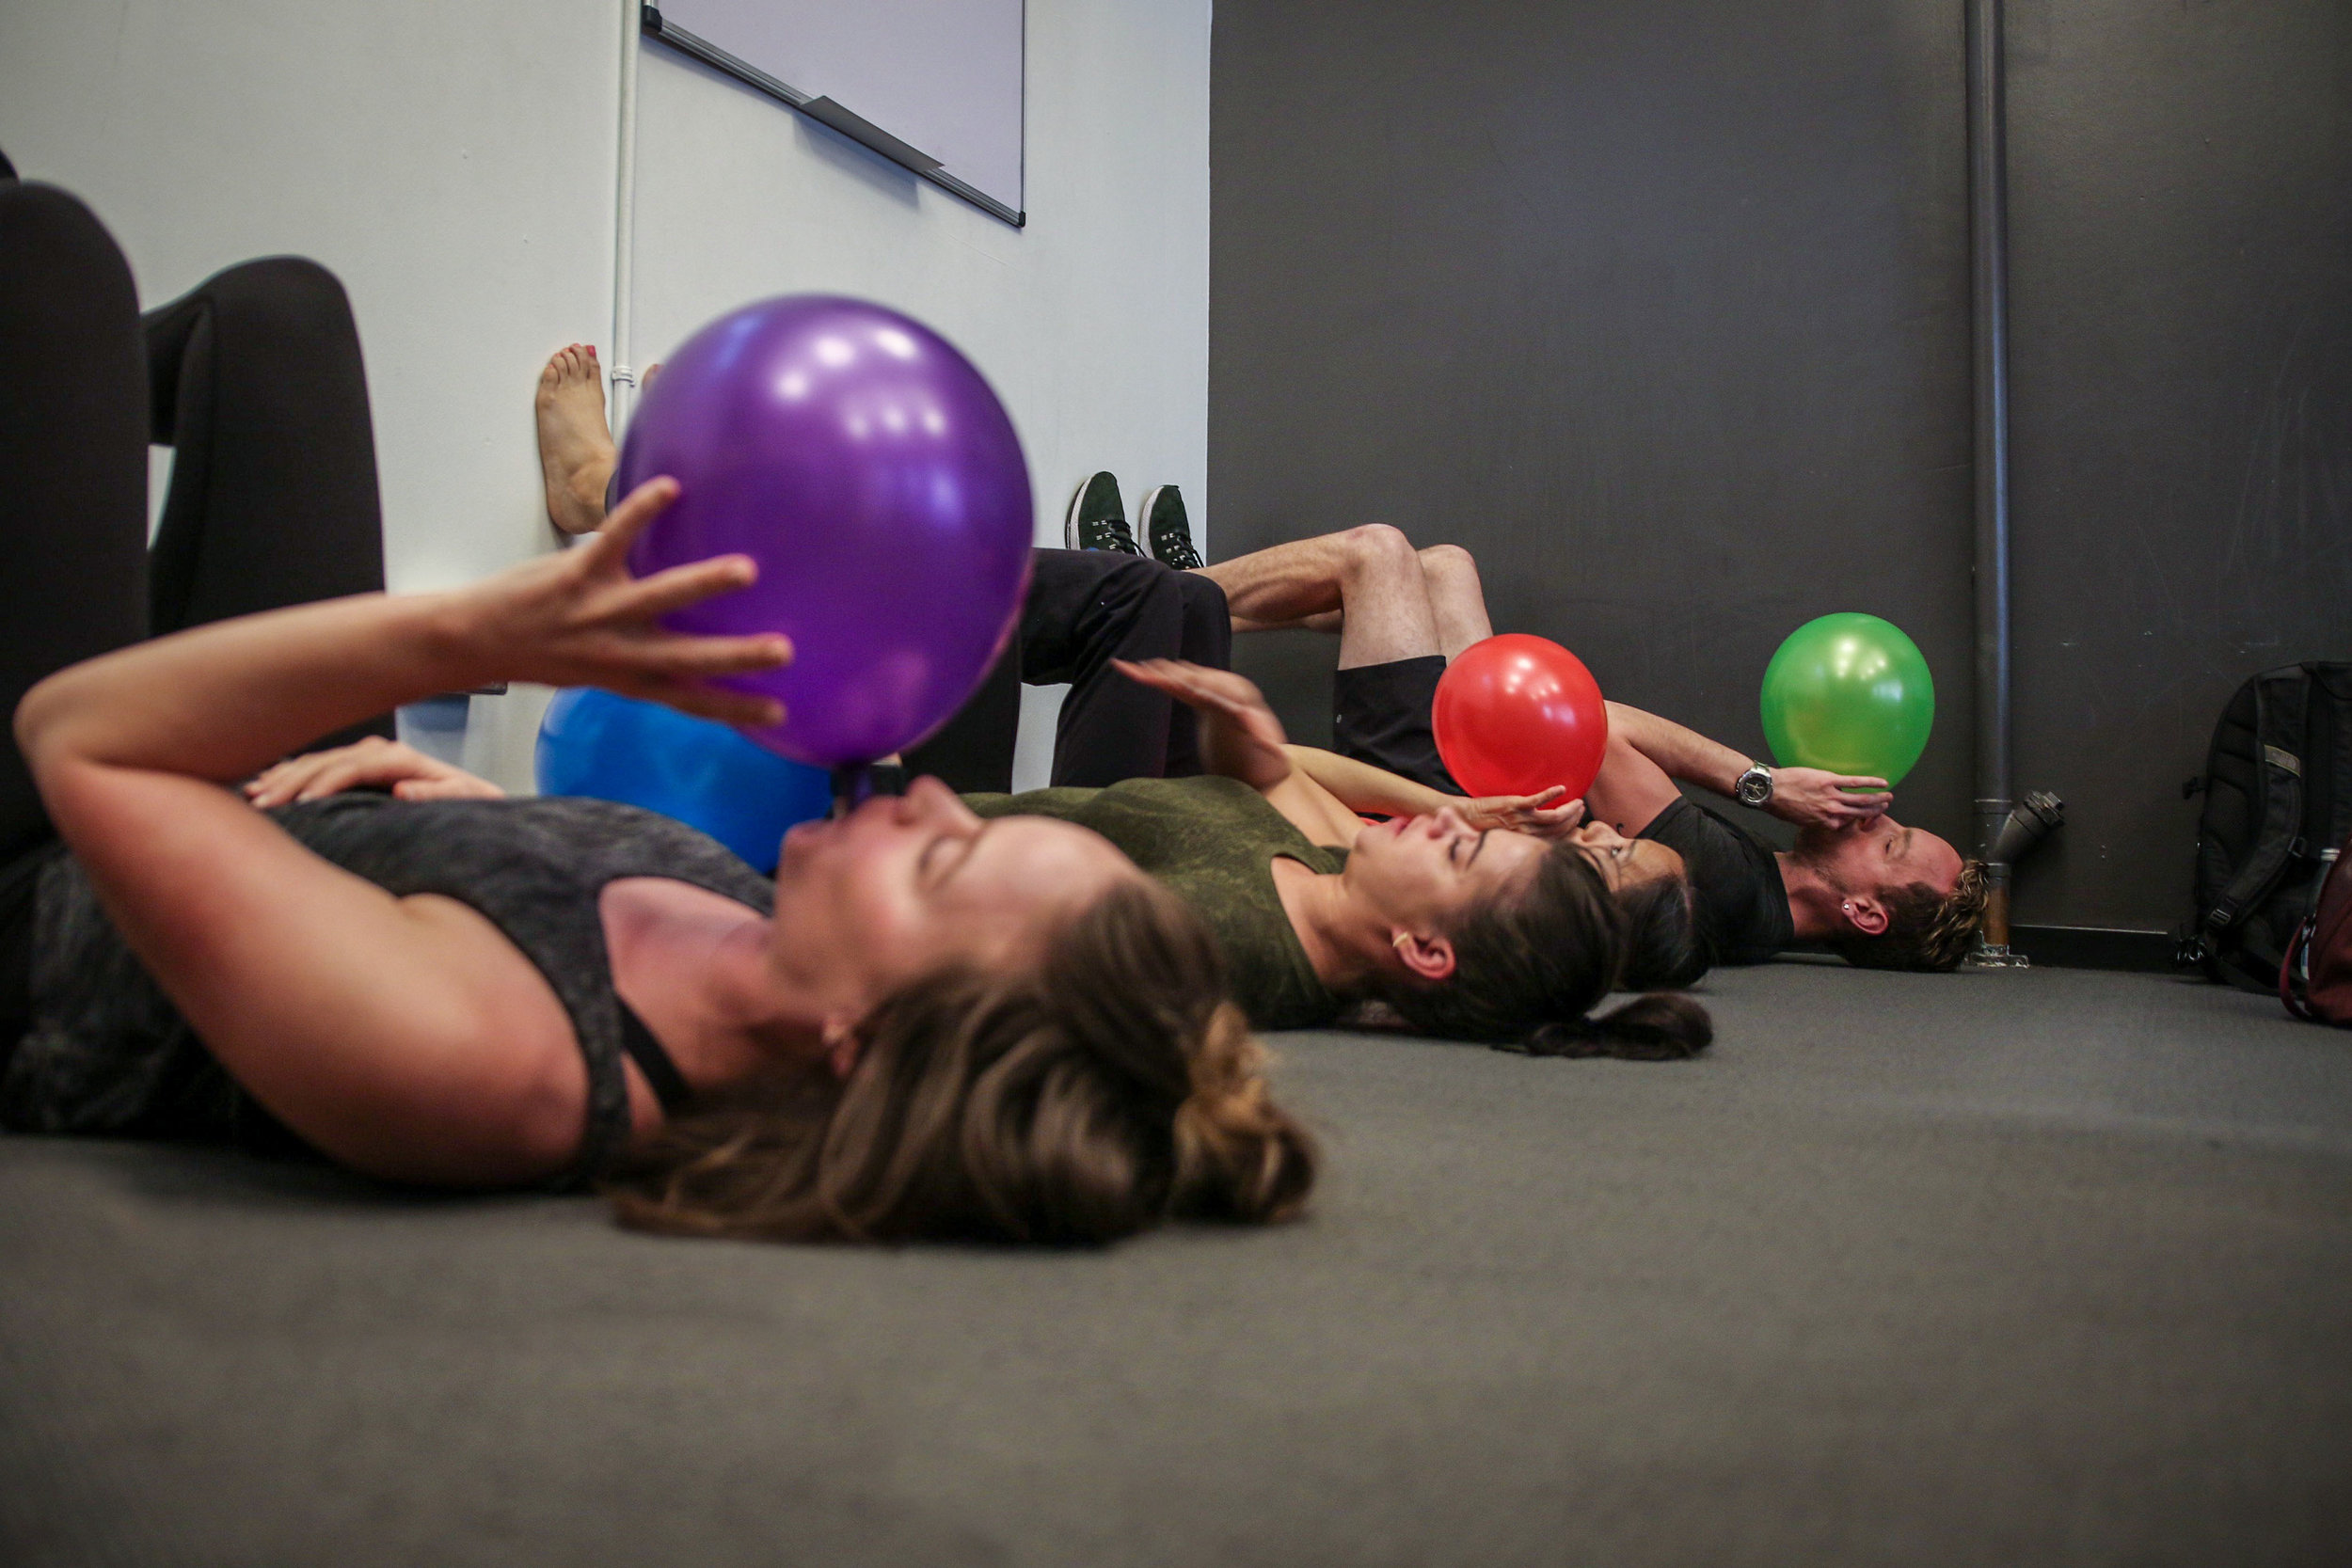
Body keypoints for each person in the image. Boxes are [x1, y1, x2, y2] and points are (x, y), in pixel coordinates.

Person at [0, 170, 1313, 1244]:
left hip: (66, 853)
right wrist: (472, 828)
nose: (923, 792)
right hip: (279, 812)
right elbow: (555, 884)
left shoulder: (490, 1064)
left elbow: (79, 738)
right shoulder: (770, 938)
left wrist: (481, 627)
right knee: (282, 317)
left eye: (943, 854)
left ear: (863, 1040)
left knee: (46, 262)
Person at [1196, 523, 1988, 971]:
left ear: (1863, 911)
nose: (1867, 816)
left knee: (1379, 556)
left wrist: (1764, 783)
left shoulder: (1731, 887)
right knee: (1444, 571)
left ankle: (1165, 593)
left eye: (1889, 841)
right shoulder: (1758, 896)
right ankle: (1207, 603)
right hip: (1493, 779)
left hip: (1459, 795)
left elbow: (1598, 729)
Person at [537, 354, 1231, 790]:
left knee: (953, 578)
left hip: (976, 885)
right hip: (1193, 879)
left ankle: (621, 489)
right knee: (1168, 593)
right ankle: (1117, 880)